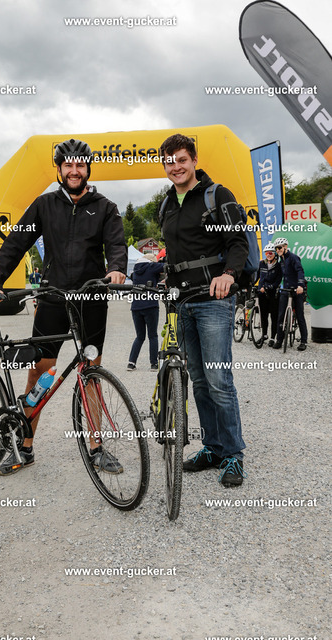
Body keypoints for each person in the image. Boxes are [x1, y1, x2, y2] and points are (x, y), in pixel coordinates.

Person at [0, 138, 127, 475]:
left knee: (91, 373)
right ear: (59, 169)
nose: (74, 171)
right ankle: (25, 447)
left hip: (91, 299)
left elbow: (116, 244)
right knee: (40, 372)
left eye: (80, 165)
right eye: (68, 165)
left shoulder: (105, 207)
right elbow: (16, 243)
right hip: (52, 299)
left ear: (87, 168)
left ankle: (96, 447)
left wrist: (117, 268)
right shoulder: (44, 205)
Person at [159, 133, 249, 487]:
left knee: (218, 381)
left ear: (194, 160)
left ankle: (233, 454)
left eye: (181, 159)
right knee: (198, 381)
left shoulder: (217, 195)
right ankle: (212, 447)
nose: (175, 167)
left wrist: (229, 274)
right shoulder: (166, 204)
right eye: (169, 162)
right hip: (182, 303)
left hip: (213, 302)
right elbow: (175, 254)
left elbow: (238, 242)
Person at [127, 253, 164, 371]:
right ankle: (154, 364)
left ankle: (131, 363)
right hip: (150, 305)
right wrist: (162, 260)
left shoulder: (135, 270)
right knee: (152, 336)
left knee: (139, 336)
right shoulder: (151, 267)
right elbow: (165, 267)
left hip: (136, 307)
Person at [272, 237, 308, 351]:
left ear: (285, 246)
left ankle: (303, 341)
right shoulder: (281, 260)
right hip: (286, 290)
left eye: (279, 248)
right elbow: (279, 276)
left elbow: (300, 271)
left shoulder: (293, 257)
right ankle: (279, 340)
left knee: (300, 315)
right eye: (276, 248)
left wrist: (300, 285)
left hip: (297, 290)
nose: (278, 250)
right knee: (280, 315)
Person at [257, 242, 282, 347]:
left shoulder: (278, 266)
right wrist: (252, 285)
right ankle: (264, 335)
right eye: (267, 253)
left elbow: (278, 281)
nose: (268, 255)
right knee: (263, 315)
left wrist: (268, 287)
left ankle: (272, 338)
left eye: (271, 253)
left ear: (275, 254)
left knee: (274, 316)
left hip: (273, 294)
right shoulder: (262, 263)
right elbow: (257, 277)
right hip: (262, 293)